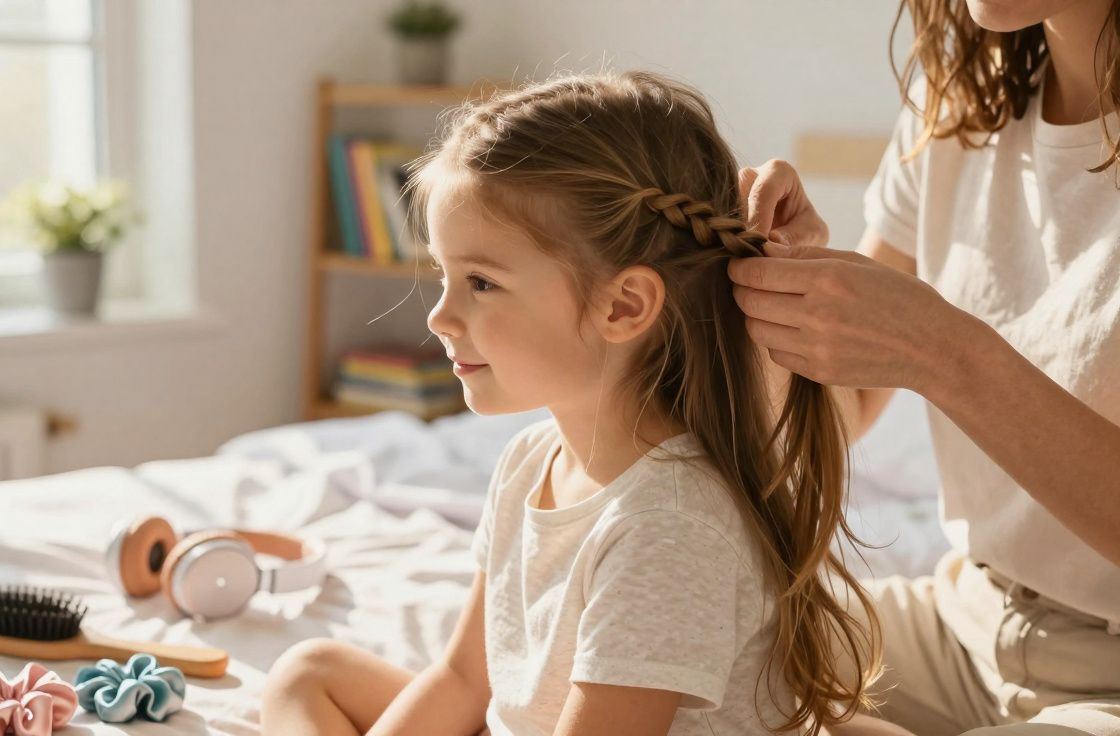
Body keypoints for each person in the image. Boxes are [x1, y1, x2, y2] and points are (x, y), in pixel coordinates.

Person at [260, 69, 882, 736]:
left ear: (624, 306)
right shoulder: (531, 460)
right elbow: (466, 681)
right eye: (445, 276)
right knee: (307, 672)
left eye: (481, 283)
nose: (441, 317)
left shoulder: (669, 526)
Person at [728, 1, 1120, 734]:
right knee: (663, 644)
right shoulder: (957, 117)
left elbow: (929, 350)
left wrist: (945, 352)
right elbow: (843, 407)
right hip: (964, 624)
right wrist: (780, 303)